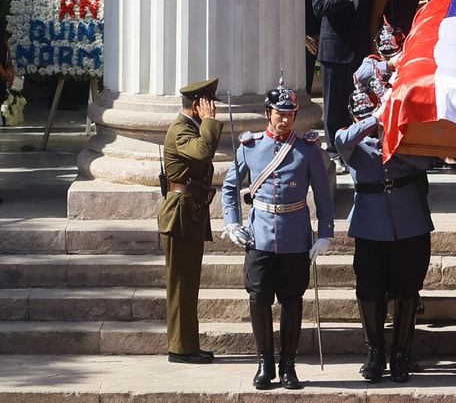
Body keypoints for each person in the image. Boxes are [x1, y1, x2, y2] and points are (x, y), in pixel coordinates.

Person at [221, 79, 335, 390]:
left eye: (290, 114)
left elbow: (323, 194)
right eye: (279, 113)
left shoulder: (307, 149)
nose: (285, 119)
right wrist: (232, 223)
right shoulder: (250, 146)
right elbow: (230, 188)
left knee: (292, 300)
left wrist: (325, 232)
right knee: (259, 299)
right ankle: (264, 362)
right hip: (259, 236)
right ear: (268, 113)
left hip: (295, 235)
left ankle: (288, 364)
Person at [335, 88, 433, 383]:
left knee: (407, 289)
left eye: (373, 114)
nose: (369, 122)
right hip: (371, 225)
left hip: (408, 222)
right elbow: (342, 141)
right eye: (360, 117)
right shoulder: (351, 139)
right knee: (369, 290)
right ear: (354, 117)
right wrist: (370, 121)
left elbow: (425, 162)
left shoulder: (400, 136)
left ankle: (401, 352)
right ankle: (375, 351)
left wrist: (391, 133)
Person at [157, 78, 223, 364]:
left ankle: (188, 345)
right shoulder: (181, 131)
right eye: (210, 103)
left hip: (189, 213)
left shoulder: (188, 128)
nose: (214, 109)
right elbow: (204, 152)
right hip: (180, 215)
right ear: (198, 105)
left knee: (188, 284)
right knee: (182, 285)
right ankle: (180, 349)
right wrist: (209, 122)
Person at [312, 0, 378, 173]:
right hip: (334, 50)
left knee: (357, 101)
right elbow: (319, 7)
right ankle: (333, 151)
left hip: (359, 50)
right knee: (333, 104)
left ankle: (357, 145)